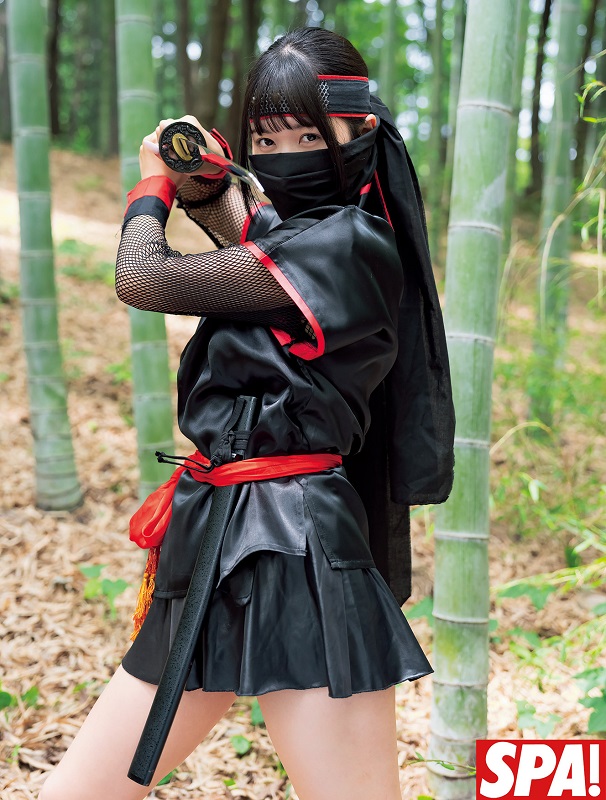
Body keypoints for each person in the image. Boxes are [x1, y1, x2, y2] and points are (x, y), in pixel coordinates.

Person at [40, 26, 454, 800]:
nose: (286, 154)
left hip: (299, 551)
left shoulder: (350, 245)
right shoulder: (306, 238)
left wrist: (151, 187)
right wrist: (199, 171)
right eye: (267, 138)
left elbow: (144, 277)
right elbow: (242, 223)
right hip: (215, 530)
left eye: (308, 135)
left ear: (361, 131)